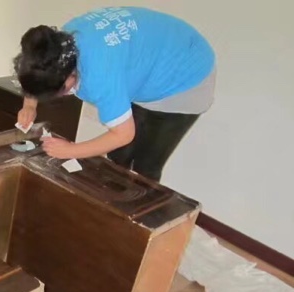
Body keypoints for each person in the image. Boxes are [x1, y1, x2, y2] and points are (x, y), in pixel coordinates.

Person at [13, 6, 216, 182]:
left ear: (68, 77)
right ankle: (112, 196)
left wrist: (70, 150)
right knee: (119, 156)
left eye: (58, 93)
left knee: (146, 166)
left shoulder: (99, 77)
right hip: (154, 57)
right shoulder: (57, 46)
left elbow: (124, 134)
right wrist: (29, 105)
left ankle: (138, 210)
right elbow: (37, 67)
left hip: (186, 76)